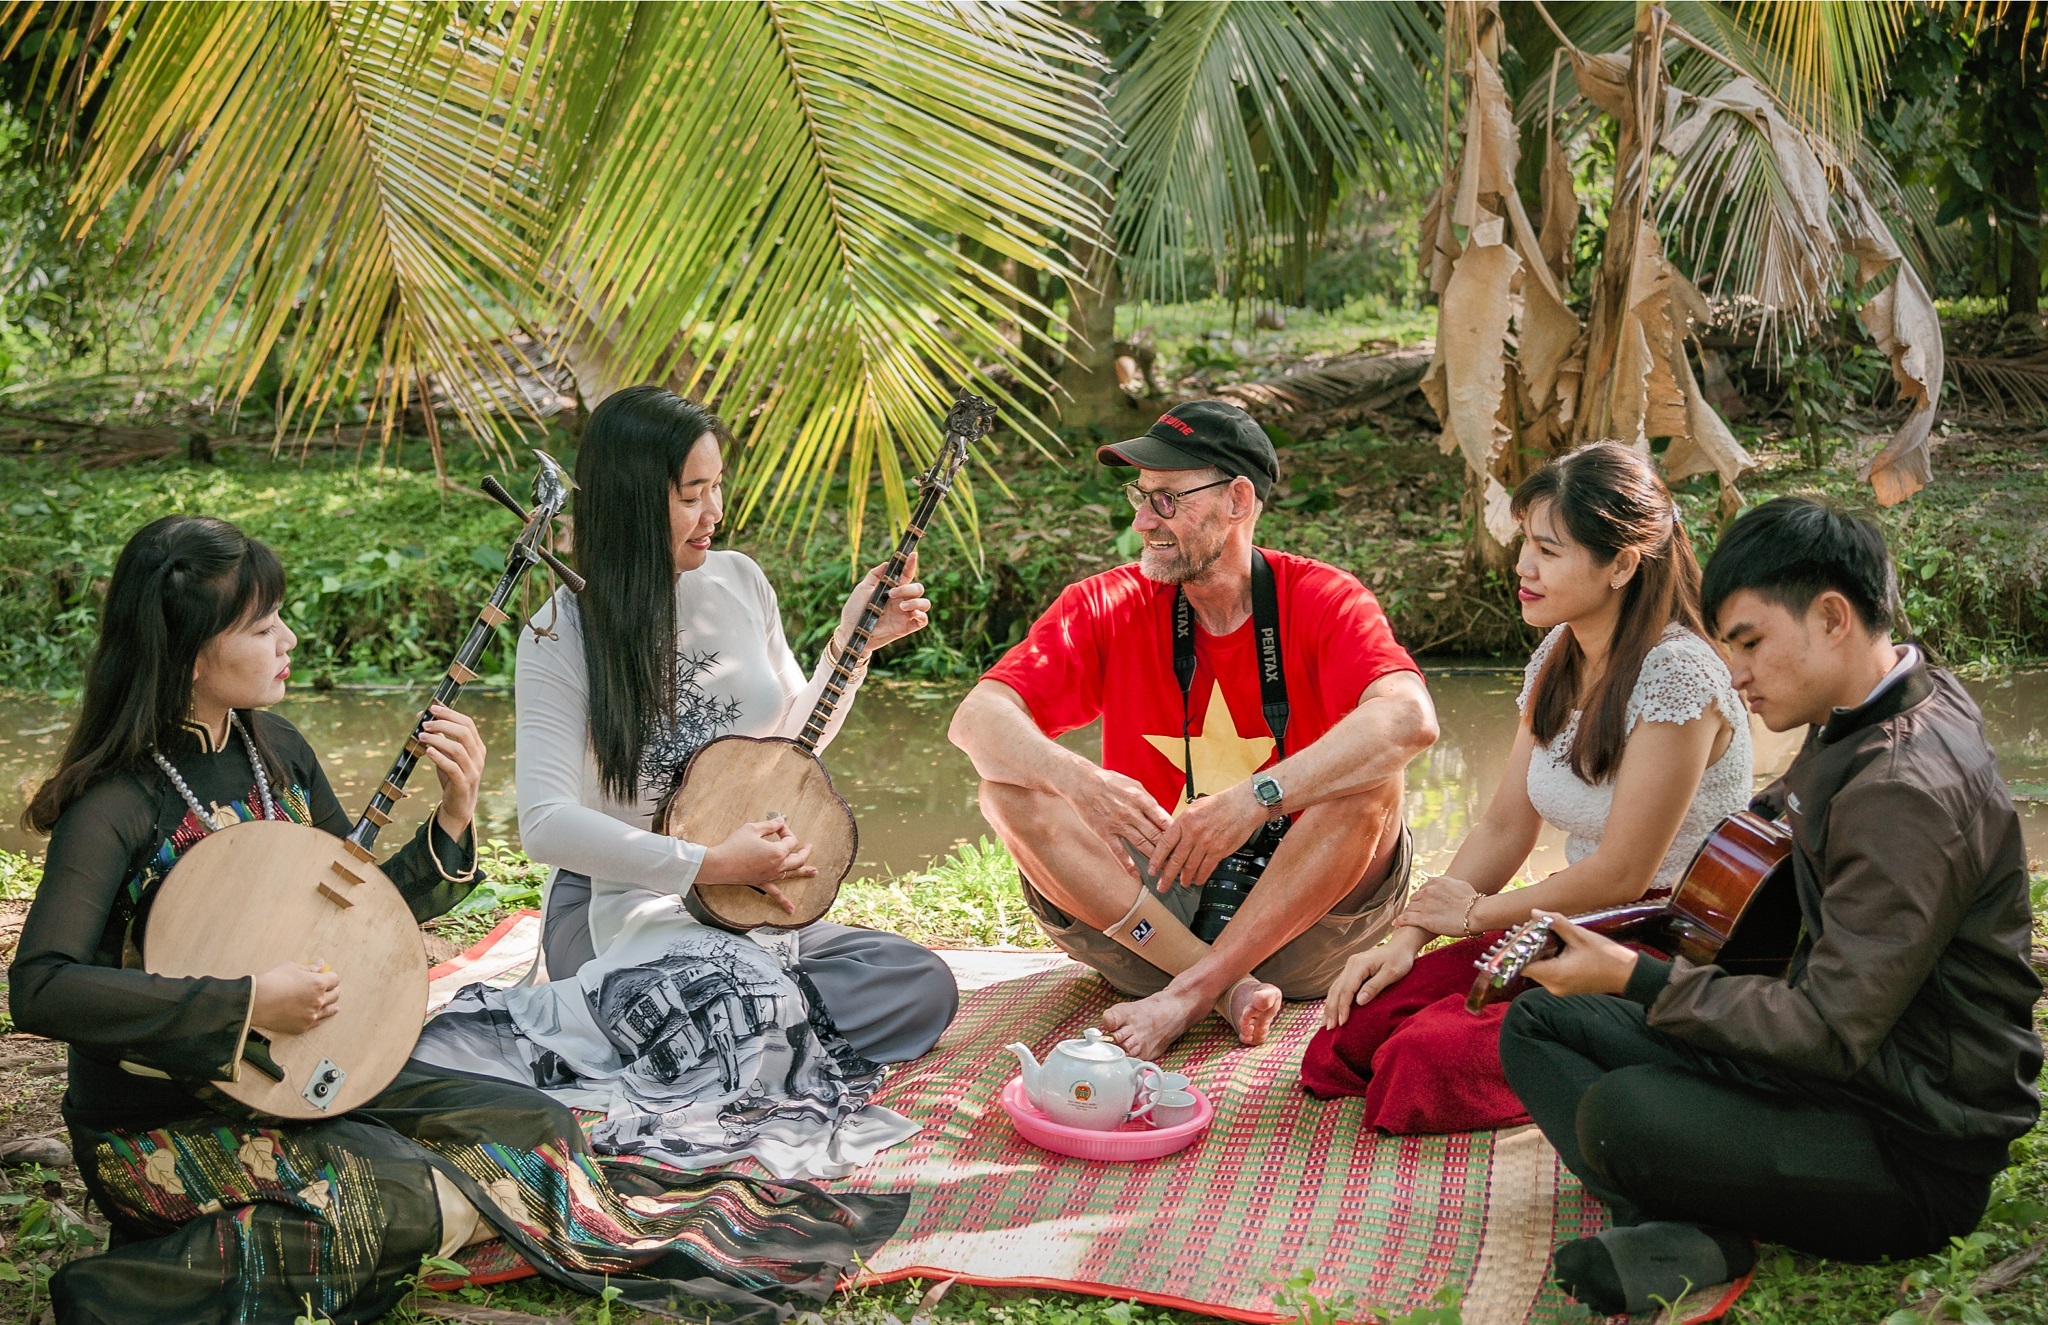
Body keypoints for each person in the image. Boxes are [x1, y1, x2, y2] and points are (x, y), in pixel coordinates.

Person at [11, 516, 904, 1325]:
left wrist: (452, 818)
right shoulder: (117, 804)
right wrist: (243, 1003)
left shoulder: (272, 753)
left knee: (534, 1128)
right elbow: (42, 989)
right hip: (164, 1121)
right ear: (190, 650)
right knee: (410, 1200)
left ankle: (326, 1215)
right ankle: (122, 1296)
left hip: (298, 1073)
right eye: (261, 624)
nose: (289, 636)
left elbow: (359, 915)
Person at [1498, 495, 2043, 1316]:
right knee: (1540, 1021)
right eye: (1727, 647)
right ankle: (1677, 1224)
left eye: (1750, 642)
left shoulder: (1904, 794)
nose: (1736, 672)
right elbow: (1780, 830)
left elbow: (1827, 1028)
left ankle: (1697, 1228)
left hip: (1907, 1142)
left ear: (1831, 618)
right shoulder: (1878, 707)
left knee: (1623, 1113)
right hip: (1832, 1074)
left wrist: (1637, 980)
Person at [441, 385, 956, 1178]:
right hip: (620, 907)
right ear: (631, 500)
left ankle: (727, 1026)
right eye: (691, 494)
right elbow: (542, 825)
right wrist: (708, 864)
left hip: (738, 909)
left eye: (718, 486)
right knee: (726, 988)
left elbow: (784, 750)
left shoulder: (740, 582)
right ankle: (722, 1023)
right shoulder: (560, 634)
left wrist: (849, 648)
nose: (714, 511)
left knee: (918, 984)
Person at [949, 399, 1437, 1062]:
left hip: (1301, 921)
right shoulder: (1107, 602)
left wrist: (1253, 801)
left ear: (1238, 500)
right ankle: (1224, 987)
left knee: (1376, 781)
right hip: (1151, 930)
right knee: (1006, 791)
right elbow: (976, 720)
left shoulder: (1322, 598)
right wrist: (1080, 781)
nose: (1142, 519)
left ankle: (1191, 991)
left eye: (1167, 499)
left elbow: (1409, 720)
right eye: (1140, 496)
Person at [1300, 443, 1751, 1133]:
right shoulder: (1558, 657)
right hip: (1571, 922)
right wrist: (1409, 937)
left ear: (1622, 564)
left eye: (1548, 549)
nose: (1523, 567)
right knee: (1346, 1037)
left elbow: (1626, 872)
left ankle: (1633, 1052)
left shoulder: (1678, 676)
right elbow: (1507, 827)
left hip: (1660, 945)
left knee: (1416, 1066)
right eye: (1524, 544)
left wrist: (1480, 916)